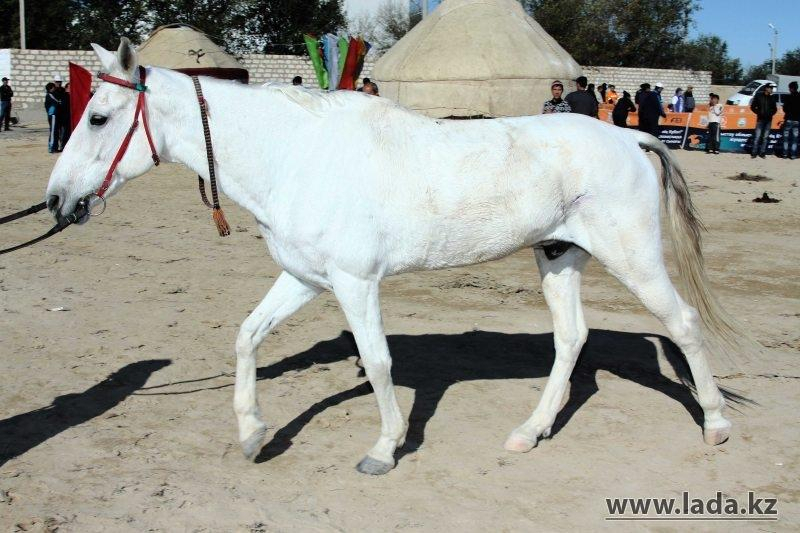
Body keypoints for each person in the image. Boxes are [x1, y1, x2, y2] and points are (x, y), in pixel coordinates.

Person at [750, 82, 778, 158]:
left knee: (765, 137)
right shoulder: (759, 96)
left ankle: (762, 153)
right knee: (757, 137)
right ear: (766, 88)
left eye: (772, 88)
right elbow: (752, 107)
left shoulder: (772, 98)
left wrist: (770, 114)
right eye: (770, 88)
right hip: (760, 120)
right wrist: (758, 112)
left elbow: (775, 109)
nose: (772, 89)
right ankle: (754, 152)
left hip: (768, 120)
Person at [781, 81, 799, 160]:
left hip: (788, 119)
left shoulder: (788, 97)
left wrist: (788, 112)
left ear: (791, 88)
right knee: (795, 139)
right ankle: (793, 155)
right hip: (797, 120)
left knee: (786, 137)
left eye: (789, 88)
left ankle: (785, 154)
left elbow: (784, 108)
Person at [44, 82, 61, 153]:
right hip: (52, 115)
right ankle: (51, 147)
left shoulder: (51, 95)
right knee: (53, 131)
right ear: (51, 88)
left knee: (55, 131)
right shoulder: (50, 95)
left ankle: (54, 147)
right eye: (53, 87)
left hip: (53, 115)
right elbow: (57, 102)